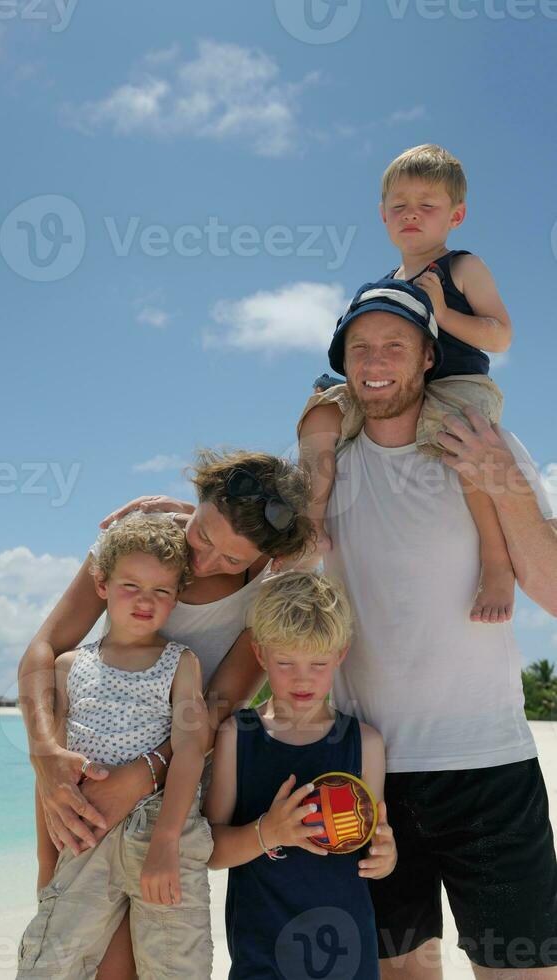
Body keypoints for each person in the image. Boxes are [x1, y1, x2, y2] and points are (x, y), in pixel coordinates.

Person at [298, 278, 557, 977]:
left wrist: (502, 477)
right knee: (400, 972)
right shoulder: (327, 469)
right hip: (369, 772)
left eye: (394, 345)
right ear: (342, 363)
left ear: (428, 359)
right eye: (360, 348)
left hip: (490, 766)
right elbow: (257, 556)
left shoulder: (483, 447)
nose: (376, 361)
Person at [17, 448, 314, 979]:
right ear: (196, 503)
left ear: (264, 558)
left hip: (174, 785)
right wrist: (44, 754)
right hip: (88, 768)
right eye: (202, 535)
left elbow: (220, 706)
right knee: (96, 958)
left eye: (230, 559)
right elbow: (44, 650)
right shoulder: (138, 544)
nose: (202, 563)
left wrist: (142, 775)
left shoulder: (267, 589)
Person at [299, 144, 515, 623]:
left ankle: (497, 563)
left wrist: (443, 313)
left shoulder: (461, 267)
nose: (411, 214)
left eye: (427, 205)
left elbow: (501, 335)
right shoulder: (387, 282)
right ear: (382, 215)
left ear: (455, 215)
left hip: (458, 384)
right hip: (401, 385)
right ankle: (310, 521)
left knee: (463, 444)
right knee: (320, 411)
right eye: (399, 206)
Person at [17, 514, 213, 978]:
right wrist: (47, 864)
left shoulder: (181, 664)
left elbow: (190, 751)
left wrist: (167, 839)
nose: (146, 601)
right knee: (50, 965)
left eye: (162, 591)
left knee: (177, 966)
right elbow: (52, 779)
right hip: (85, 836)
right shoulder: (68, 667)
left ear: (177, 597)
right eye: (131, 586)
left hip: (161, 828)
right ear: (101, 584)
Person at [205, 570, 397, 979]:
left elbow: (375, 836)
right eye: (286, 662)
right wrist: (269, 833)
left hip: (347, 950)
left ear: (341, 654)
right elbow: (209, 850)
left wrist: (386, 856)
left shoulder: (365, 743)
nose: (303, 678)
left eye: (319, 663)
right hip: (262, 949)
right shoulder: (237, 736)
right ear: (260, 656)